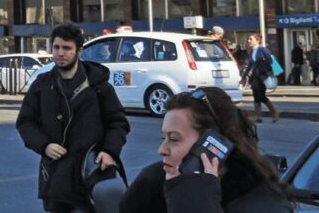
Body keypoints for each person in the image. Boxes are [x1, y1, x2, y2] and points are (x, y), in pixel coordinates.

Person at [119, 86, 293, 213]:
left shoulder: (262, 202)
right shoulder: (151, 184)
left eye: (174, 139)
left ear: (214, 144)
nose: (161, 150)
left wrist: (194, 199)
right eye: (163, 138)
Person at [16, 22, 130, 213]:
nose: (61, 53)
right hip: (55, 178)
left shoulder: (98, 86)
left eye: (67, 48)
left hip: (91, 173)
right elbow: (25, 123)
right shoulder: (41, 85)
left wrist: (110, 151)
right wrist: (44, 145)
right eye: (56, 47)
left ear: (79, 50)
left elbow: (118, 122)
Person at [243, 33, 278, 123]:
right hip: (255, 77)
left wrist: (266, 70)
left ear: (257, 40)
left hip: (263, 76)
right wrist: (243, 78)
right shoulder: (252, 51)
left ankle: (274, 113)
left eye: (251, 39)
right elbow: (250, 65)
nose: (248, 41)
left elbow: (271, 61)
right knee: (256, 96)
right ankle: (258, 117)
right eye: (248, 39)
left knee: (262, 96)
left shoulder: (263, 50)